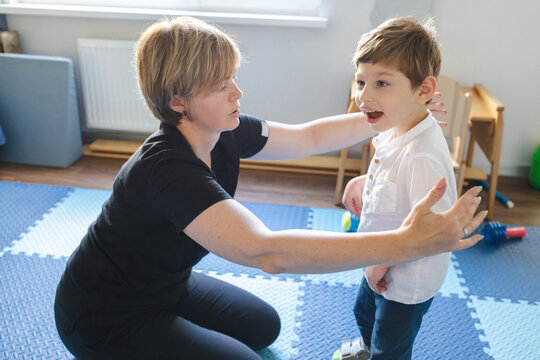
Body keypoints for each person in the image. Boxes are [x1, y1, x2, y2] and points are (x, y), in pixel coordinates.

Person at [54, 16, 486, 360]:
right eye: (222, 86)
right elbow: (269, 252)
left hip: (166, 286)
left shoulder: (223, 130)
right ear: (179, 102)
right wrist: (402, 244)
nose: (237, 93)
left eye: (232, 78)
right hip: (104, 314)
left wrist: (395, 111)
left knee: (264, 327)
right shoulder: (165, 170)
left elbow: (309, 137)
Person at [333, 17, 468, 360]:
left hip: (405, 277)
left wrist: (383, 264)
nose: (364, 95)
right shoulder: (398, 126)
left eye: (381, 83)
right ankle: (366, 350)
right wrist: (366, 181)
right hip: (378, 257)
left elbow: (432, 232)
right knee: (364, 314)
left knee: (390, 344)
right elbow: (391, 166)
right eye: (361, 81)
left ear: (423, 90)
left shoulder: (423, 155)